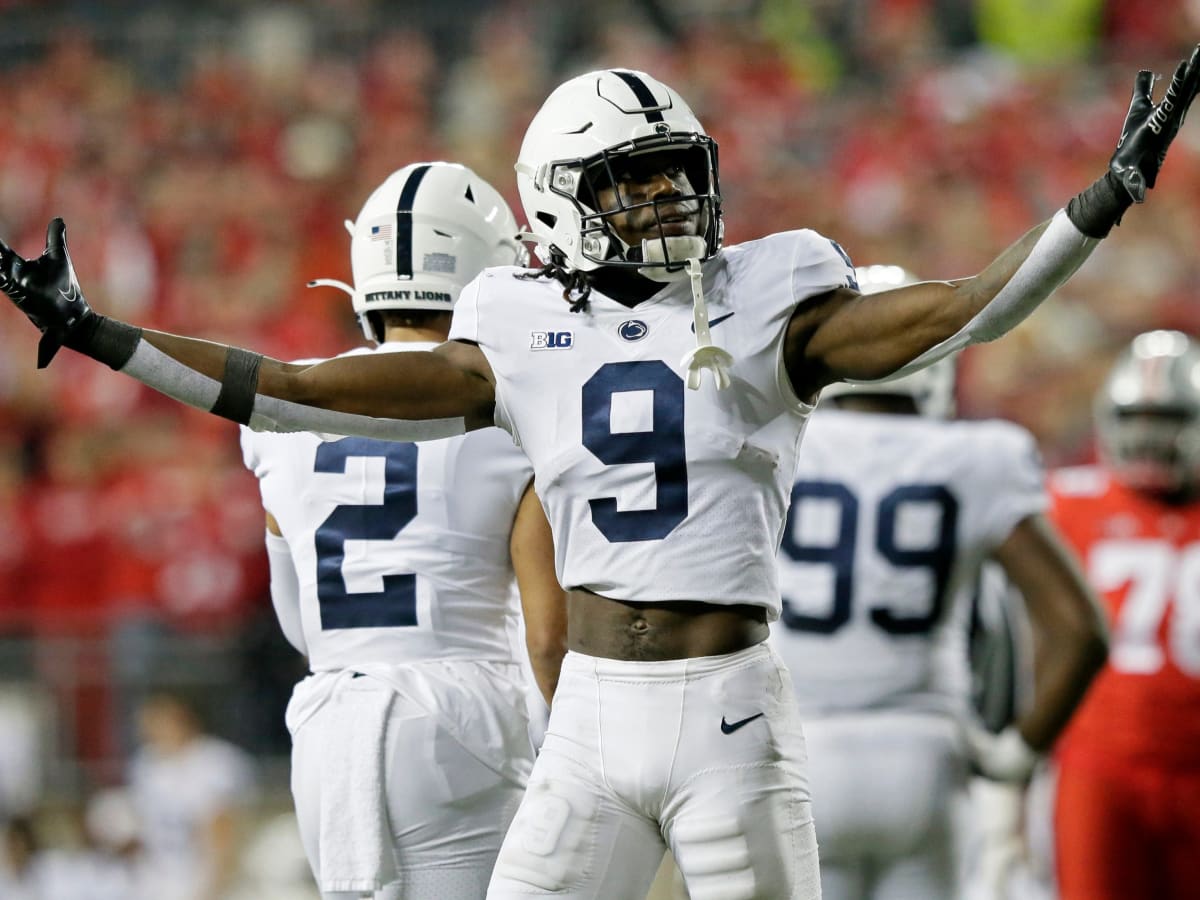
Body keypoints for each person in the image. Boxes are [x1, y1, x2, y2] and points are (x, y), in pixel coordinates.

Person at [0, 54, 1196, 898]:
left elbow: (968, 311)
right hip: (586, 722)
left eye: (675, 168)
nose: (669, 196)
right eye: (631, 179)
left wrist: (1102, 201)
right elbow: (295, 385)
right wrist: (106, 334)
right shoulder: (513, 323)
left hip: (728, 701)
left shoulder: (771, 295)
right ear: (560, 203)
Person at [239, 162, 566, 898]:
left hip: (329, 725)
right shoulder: (509, 412)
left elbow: (299, 622)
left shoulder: (279, 420)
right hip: (463, 717)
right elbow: (550, 635)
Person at [767, 264, 1108, 900]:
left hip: (794, 751)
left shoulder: (774, 449)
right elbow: (1079, 630)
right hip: (925, 757)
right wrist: (1014, 757)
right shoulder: (979, 457)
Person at [1046, 329, 1200, 900]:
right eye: (1135, 418)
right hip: (1099, 766)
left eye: (1168, 418)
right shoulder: (1068, 502)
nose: (1148, 437)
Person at [127, 690, 256, 900]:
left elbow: (223, 833)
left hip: (201, 879)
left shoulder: (216, 762)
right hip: (155, 881)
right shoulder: (145, 764)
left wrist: (210, 890)